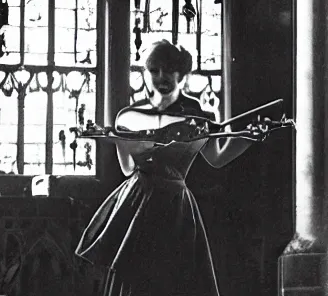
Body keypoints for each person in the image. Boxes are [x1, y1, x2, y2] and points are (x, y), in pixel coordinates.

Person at [75, 40, 258, 296]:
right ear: (146, 73)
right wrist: (118, 141)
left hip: (176, 206)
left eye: (169, 70)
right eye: (154, 70)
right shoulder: (128, 115)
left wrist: (249, 138)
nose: (161, 77)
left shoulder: (198, 115)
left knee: (175, 278)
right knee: (134, 280)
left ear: (182, 74)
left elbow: (217, 158)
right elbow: (128, 169)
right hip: (137, 203)